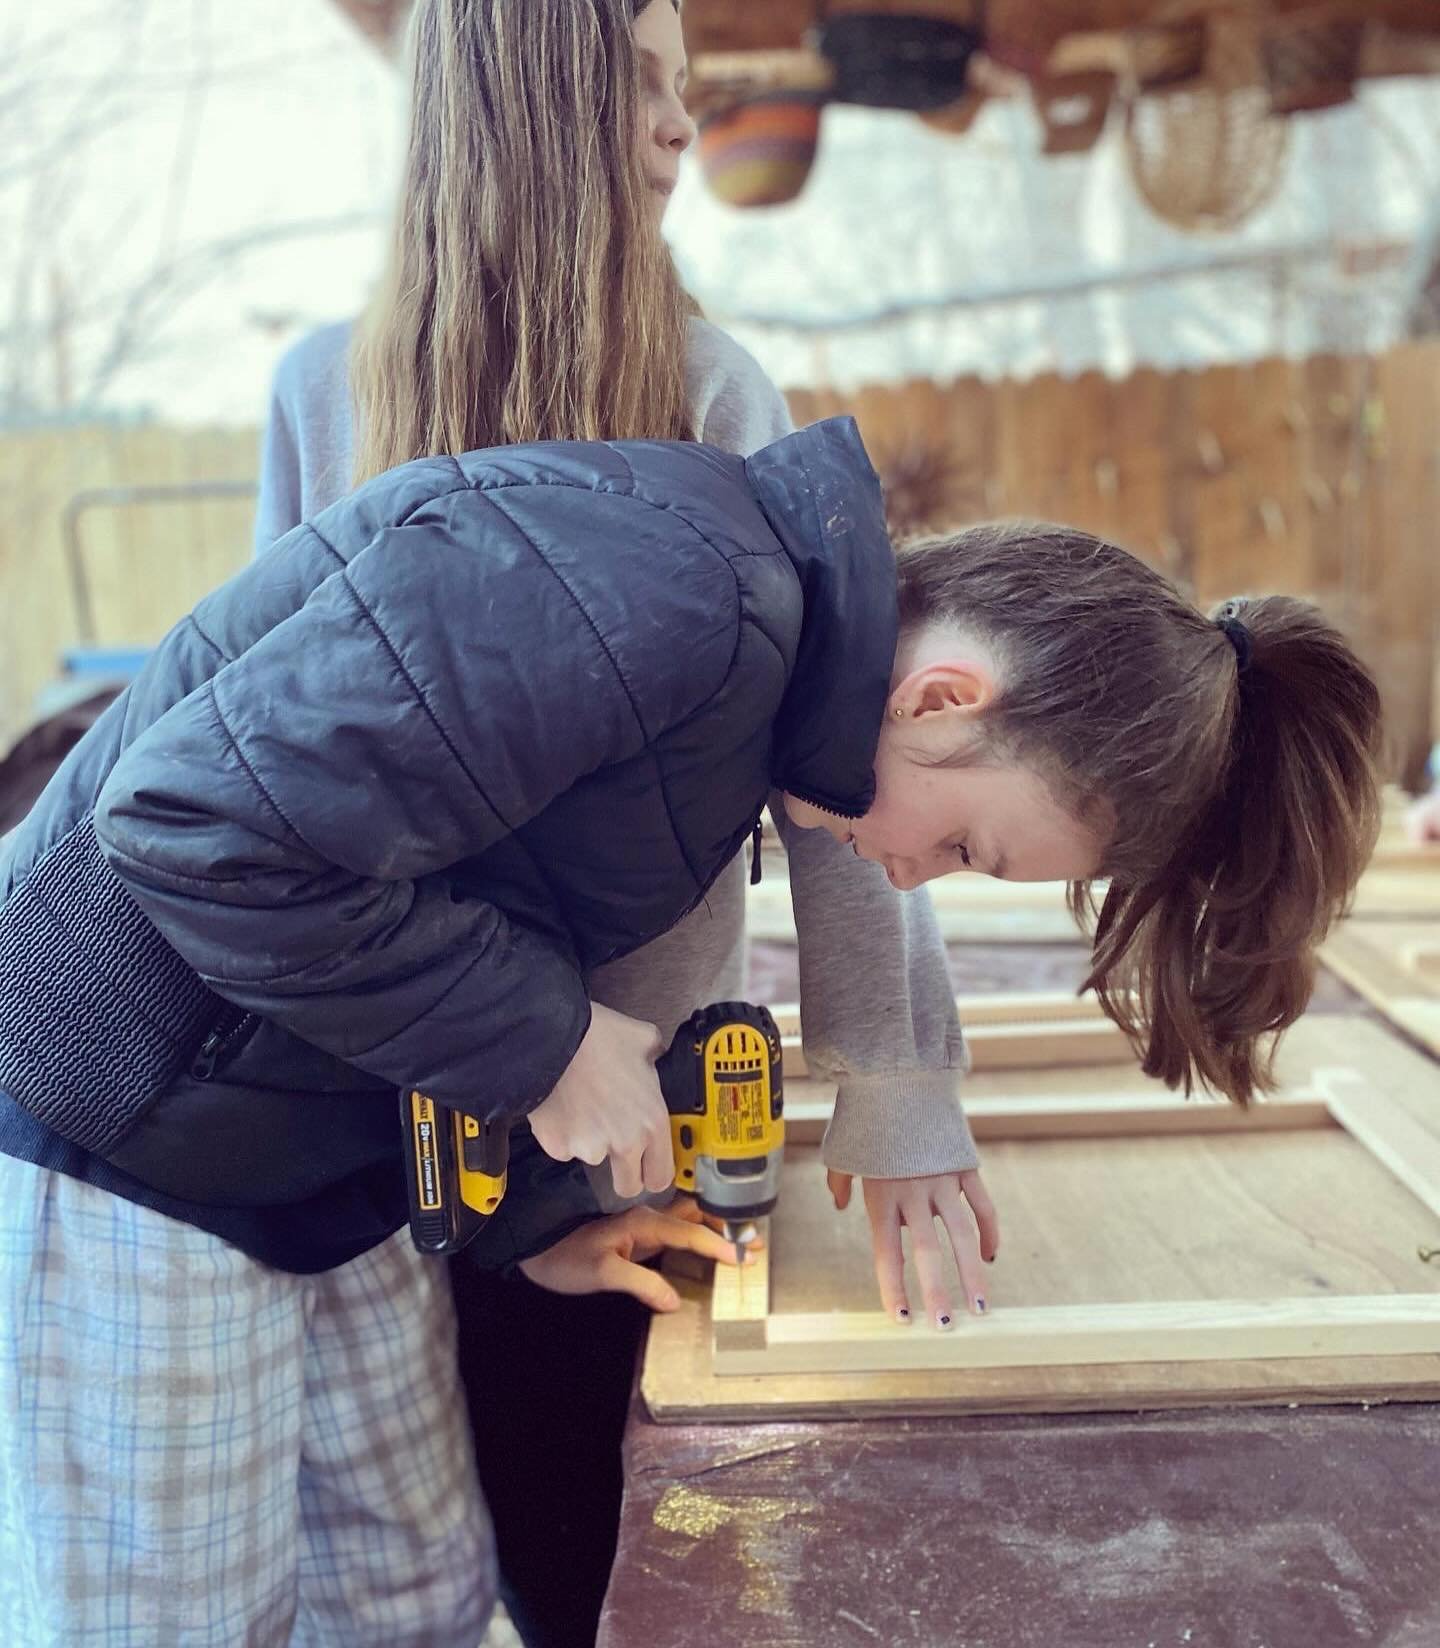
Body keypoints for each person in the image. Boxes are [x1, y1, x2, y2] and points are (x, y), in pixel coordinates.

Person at [0, 409, 1381, 1644]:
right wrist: (544, 1041)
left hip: (300, 1162)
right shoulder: (665, 591)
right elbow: (191, 829)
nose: (911, 879)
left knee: (409, 1599)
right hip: (128, 1133)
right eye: (963, 843)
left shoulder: (737, 684)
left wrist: (534, 1210)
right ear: (945, 697)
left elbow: (448, 893)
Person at [253, 4, 989, 1639]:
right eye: (645, 82)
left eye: (685, 84)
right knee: (480, 1559)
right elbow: (274, 785)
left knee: (632, 1560)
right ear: (527, 100)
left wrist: (903, 1084)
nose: (682, 123)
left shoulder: (718, 388)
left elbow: (829, 781)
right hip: (416, 1132)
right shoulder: (323, 394)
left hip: (649, 1138)